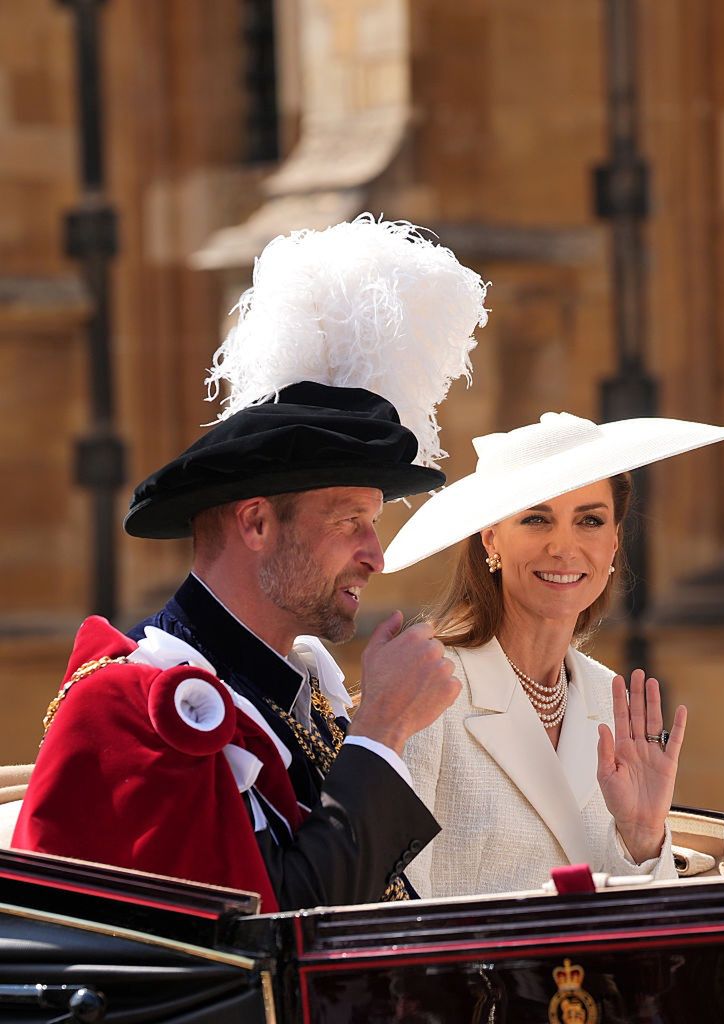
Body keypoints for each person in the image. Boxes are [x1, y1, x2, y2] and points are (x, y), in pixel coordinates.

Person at [12, 215, 489, 910]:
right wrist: (383, 727)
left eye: (374, 522)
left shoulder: (298, 703)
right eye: (349, 521)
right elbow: (266, 940)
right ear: (257, 522)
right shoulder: (127, 709)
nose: (375, 555)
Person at [381, 410, 724, 897]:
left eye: (589, 520)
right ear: (491, 539)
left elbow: (643, 933)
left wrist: (642, 839)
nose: (564, 547)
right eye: (536, 518)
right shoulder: (428, 689)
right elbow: (389, 907)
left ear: (613, 543)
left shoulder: (609, 699)